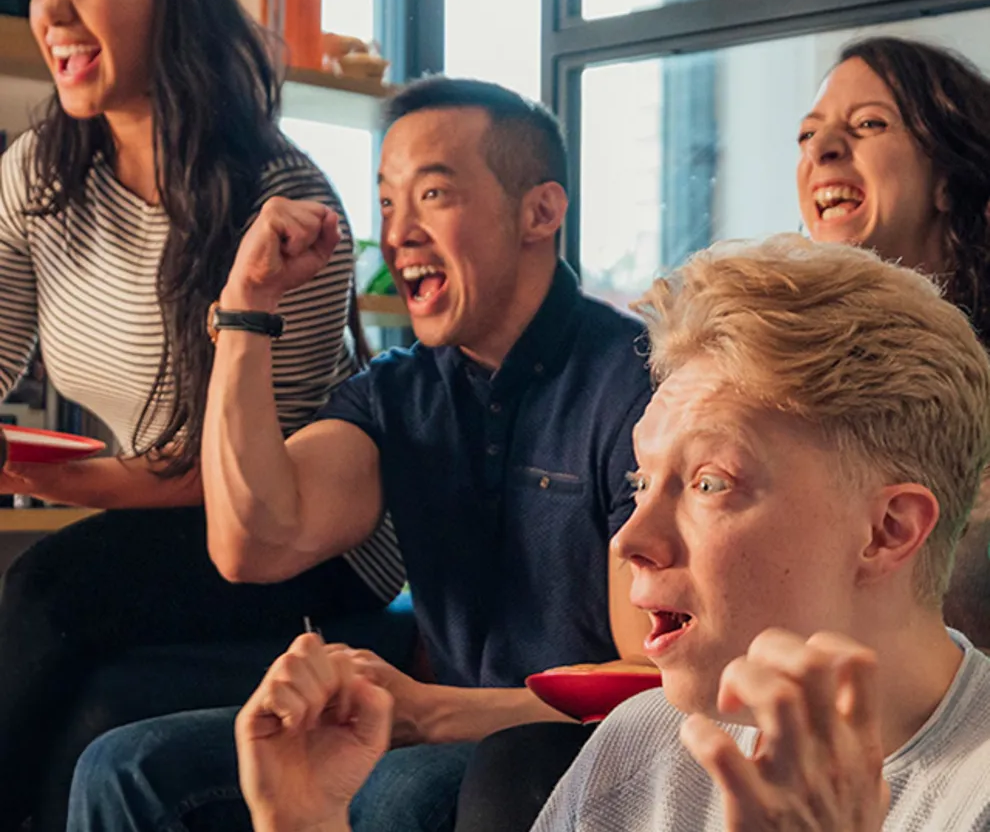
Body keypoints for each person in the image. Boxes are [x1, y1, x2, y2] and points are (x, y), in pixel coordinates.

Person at [230, 235, 990, 831]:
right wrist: (308, 821)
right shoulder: (643, 742)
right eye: (638, 483)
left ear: (889, 531)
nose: (629, 540)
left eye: (709, 484)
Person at [66, 77, 654, 832]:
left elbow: (646, 685)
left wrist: (432, 712)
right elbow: (252, 541)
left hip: (562, 755)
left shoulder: (632, 387)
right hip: (429, 728)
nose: (397, 231)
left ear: (540, 211)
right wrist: (247, 311)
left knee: (398, 793)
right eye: (385, 201)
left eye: (433, 195)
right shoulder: (400, 390)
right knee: (126, 766)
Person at [0, 0, 404, 829]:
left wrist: (60, 478)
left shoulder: (280, 203)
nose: (56, 15)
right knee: (85, 686)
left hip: (305, 548)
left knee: (46, 592)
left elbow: (257, 486)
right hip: (163, 528)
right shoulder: (37, 179)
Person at [795, 36, 990, 648]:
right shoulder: (785, 373)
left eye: (869, 124)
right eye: (807, 135)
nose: (823, 149)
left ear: (948, 184)